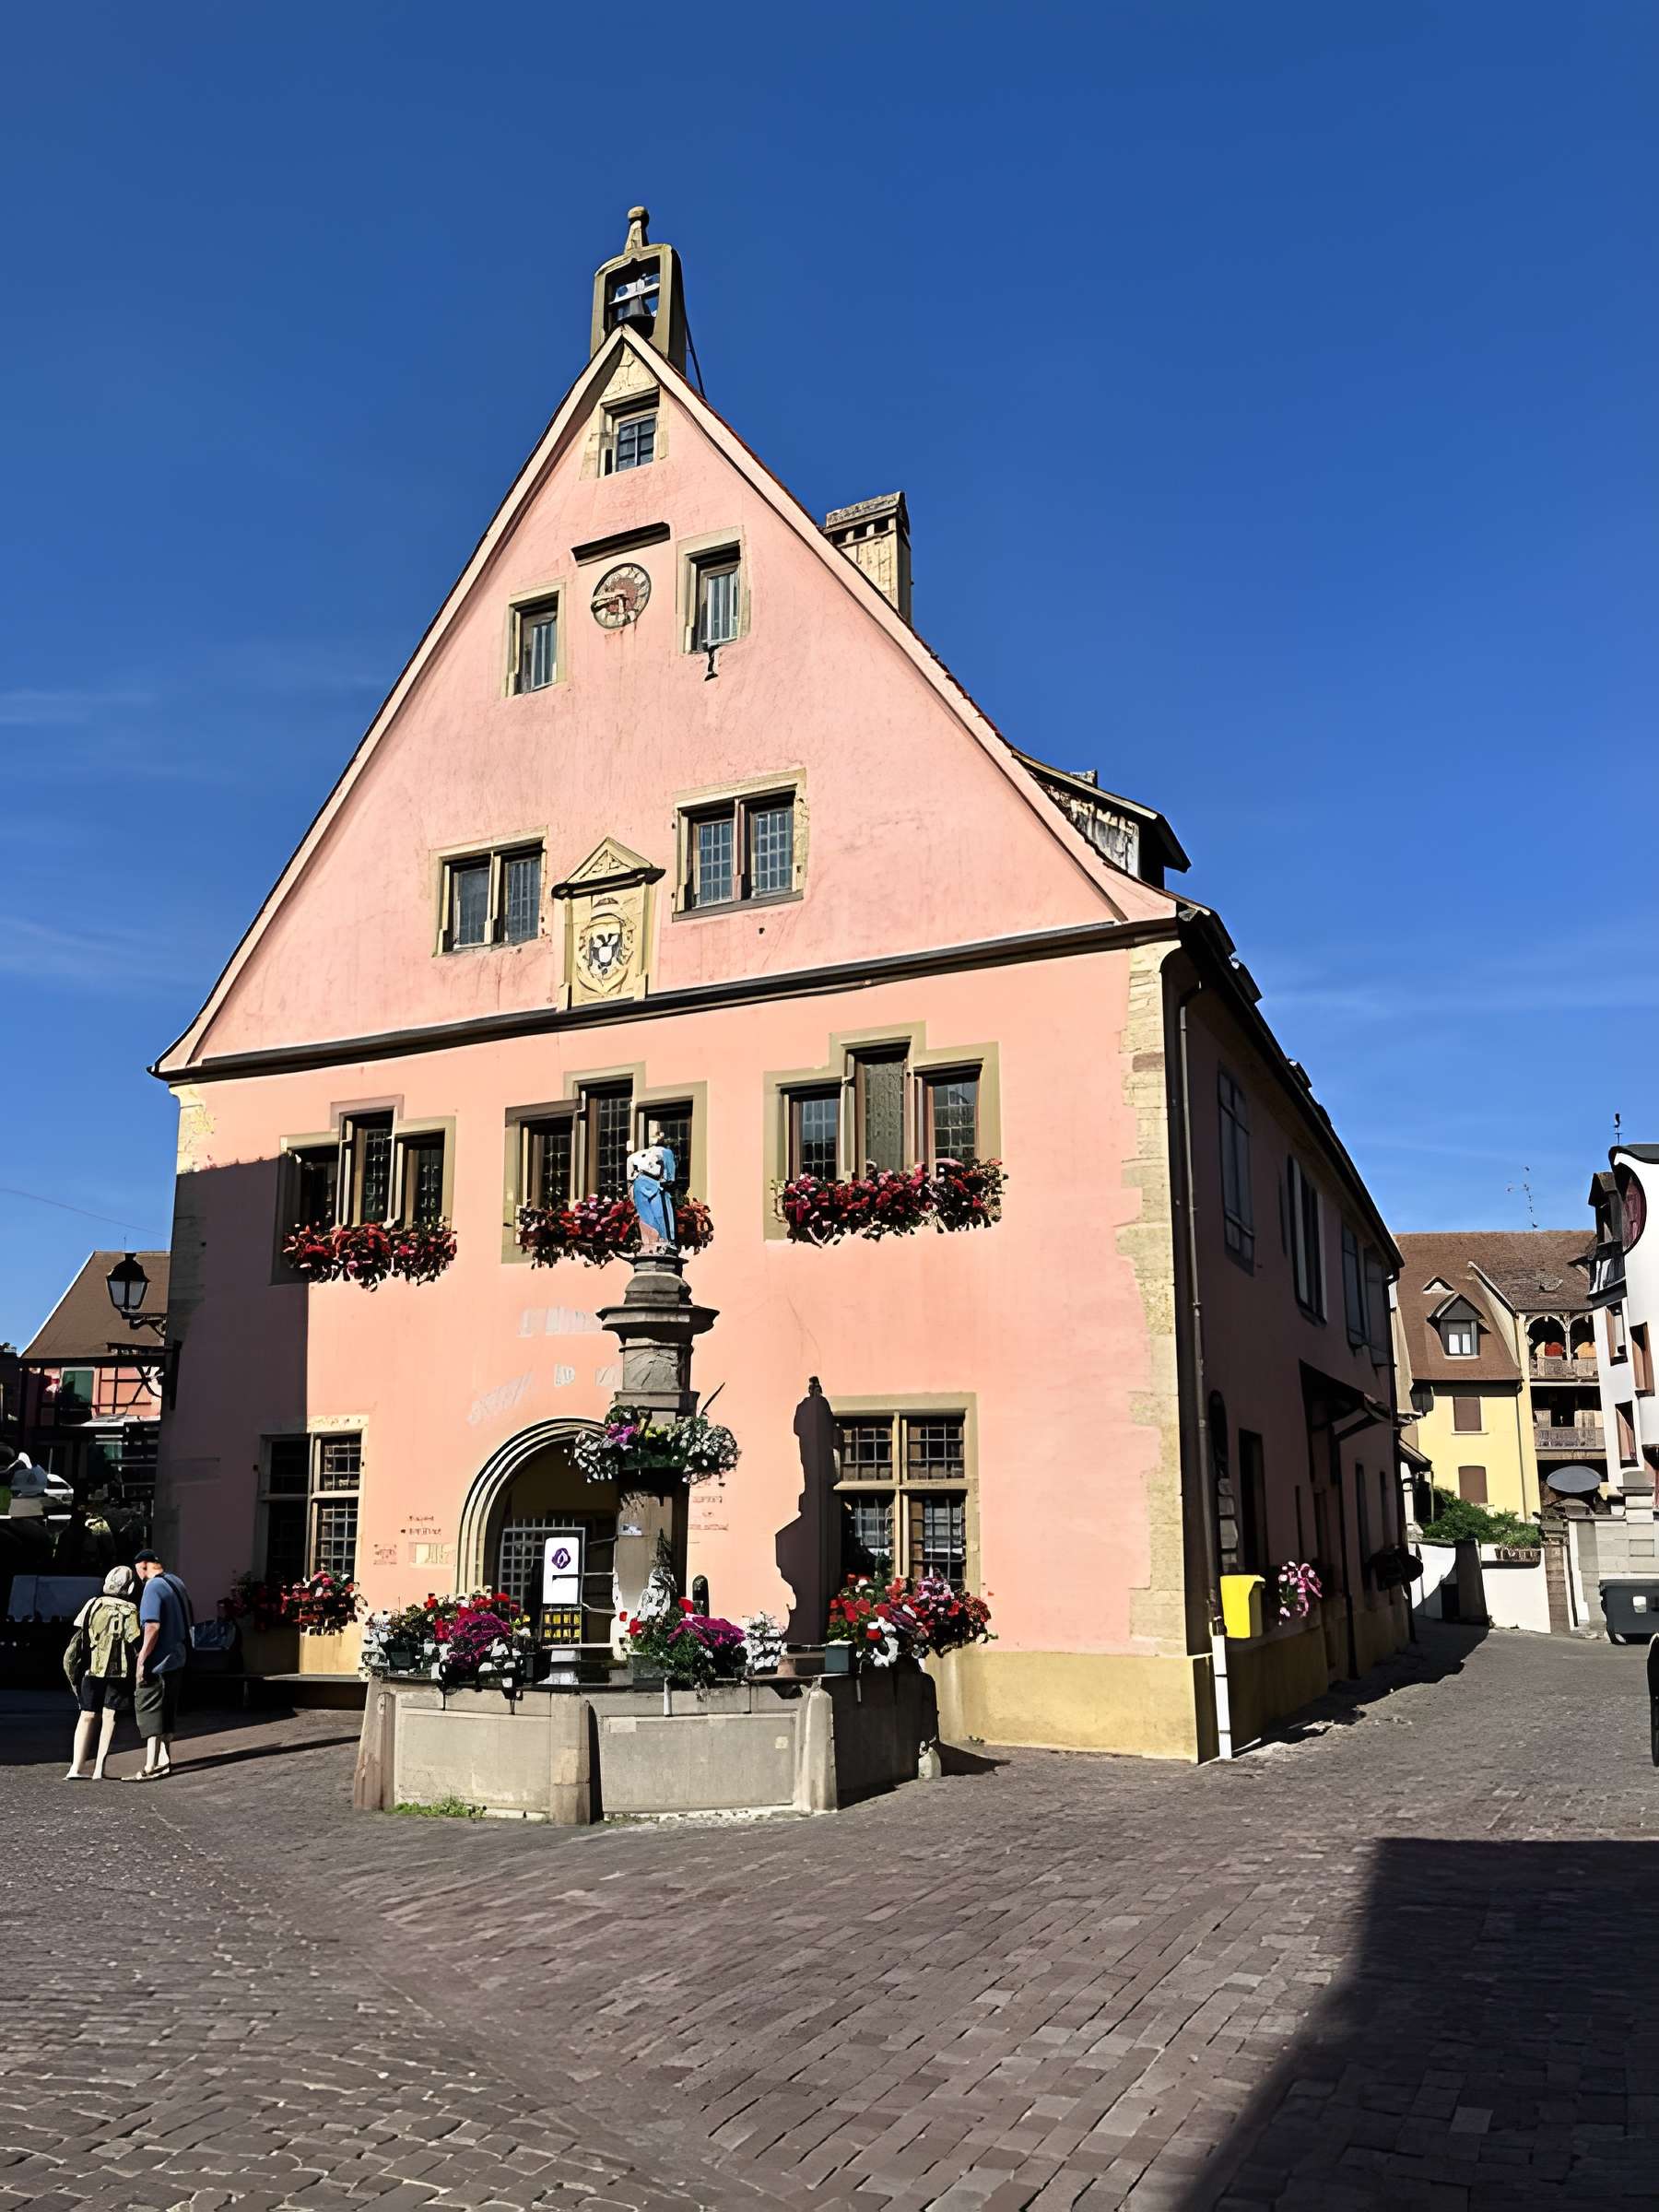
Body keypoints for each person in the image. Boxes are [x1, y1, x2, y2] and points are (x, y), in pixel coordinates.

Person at [65, 1565, 141, 1780]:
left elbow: (80, 1633)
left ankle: (76, 1768)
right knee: (110, 1715)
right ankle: (99, 1768)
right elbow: (134, 1639)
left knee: (87, 1715)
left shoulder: (92, 1604)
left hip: (90, 1669)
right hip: (119, 1672)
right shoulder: (130, 1609)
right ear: (130, 1586)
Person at [133, 1549, 192, 1778]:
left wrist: (142, 1659)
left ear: (144, 1565)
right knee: (168, 1713)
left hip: (160, 1661)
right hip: (179, 1656)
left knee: (151, 1713)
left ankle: (151, 1765)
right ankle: (165, 1760)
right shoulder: (176, 1581)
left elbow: (152, 1627)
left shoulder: (152, 1587)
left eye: (137, 1568)